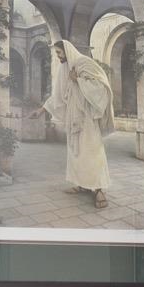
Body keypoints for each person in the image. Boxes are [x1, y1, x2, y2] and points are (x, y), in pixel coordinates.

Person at [44, 39, 115, 209]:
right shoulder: (64, 69)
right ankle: (81, 183)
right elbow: (59, 96)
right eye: (56, 53)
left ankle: (98, 190)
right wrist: (41, 110)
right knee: (76, 153)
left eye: (59, 53)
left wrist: (78, 81)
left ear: (67, 51)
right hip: (73, 119)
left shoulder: (85, 63)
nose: (58, 56)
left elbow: (101, 86)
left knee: (92, 152)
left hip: (87, 119)